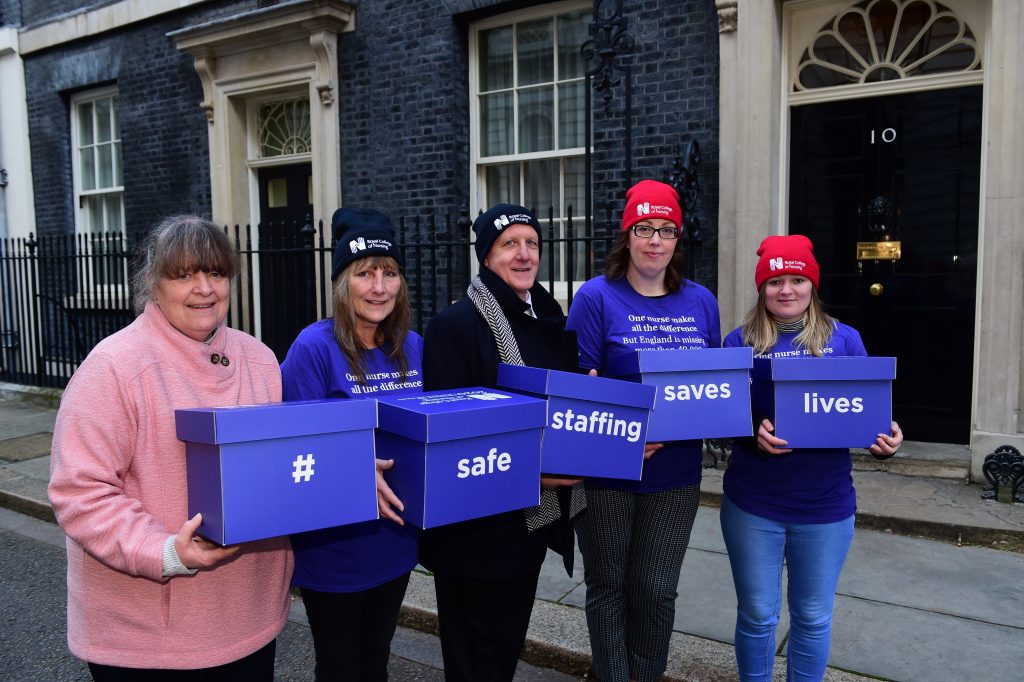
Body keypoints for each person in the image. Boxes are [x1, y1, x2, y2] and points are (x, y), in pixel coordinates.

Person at [48, 216, 293, 680]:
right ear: (151, 284)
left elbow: (282, 465)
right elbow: (79, 493)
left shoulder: (260, 359)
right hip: (146, 640)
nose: (204, 288)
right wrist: (165, 552)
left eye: (216, 273)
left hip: (249, 619)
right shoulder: (112, 368)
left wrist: (350, 471)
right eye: (183, 275)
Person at [721, 234, 903, 681]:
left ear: (812, 285)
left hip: (825, 505)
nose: (787, 290)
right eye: (776, 280)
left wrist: (886, 442)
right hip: (753, 502)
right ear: (762, 287)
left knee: (813, 617)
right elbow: (718, 416)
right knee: (759, 617)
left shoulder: (845, 341)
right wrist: (748, 433)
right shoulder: (737, 342)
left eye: (797, 279)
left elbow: (868, 415)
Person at [565, 179, 721, 682]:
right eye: (644, 228)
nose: (655, 239)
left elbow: (714, 386)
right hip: (609, 470)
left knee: (655, 589)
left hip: (675, 473)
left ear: (678, 238)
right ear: (627, 235)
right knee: (608, 584)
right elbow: (579, 389)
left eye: (666, 229)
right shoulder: (595, 297)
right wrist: (627, 435)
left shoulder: (701, 301)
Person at [420, 204, 583, 682]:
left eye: (531, 243)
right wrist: (531, 469)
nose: (524, 254)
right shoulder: (455, 326)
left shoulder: (547, 318)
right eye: (510, 243)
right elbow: (450, 441)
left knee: (503, 652)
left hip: (525, 528)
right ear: (486, 256)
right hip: (473, 535)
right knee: (472, 658)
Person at [280, 207, 422, 682]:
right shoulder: (313, 348)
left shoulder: (414, 347)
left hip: (396, 539)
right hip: (336, 545)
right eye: (364, 274)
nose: (379, 286)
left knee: (376, 662)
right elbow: (292, 446)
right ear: (344, 282)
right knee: (340, 667)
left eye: (390, 273)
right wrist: (354, 468)